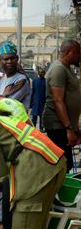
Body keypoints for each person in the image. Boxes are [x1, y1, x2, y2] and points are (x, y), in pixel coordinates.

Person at [43, 39, 81, 172]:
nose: (79, 56)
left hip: (65, 125)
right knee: (63, 164)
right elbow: (58, 100)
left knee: (66, 163)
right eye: (78, 53)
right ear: (70, 52)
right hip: (57, 125)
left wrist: (75, 128)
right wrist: (69, 129)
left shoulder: (67, 68)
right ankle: (56, 191)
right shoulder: (58, 69)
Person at [0, 42, 32, 109]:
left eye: (12, 58)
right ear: (0, 61)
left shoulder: (21, 80)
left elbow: (7, 104)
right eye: (6, 59)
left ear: (17, 59)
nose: (9, 61)